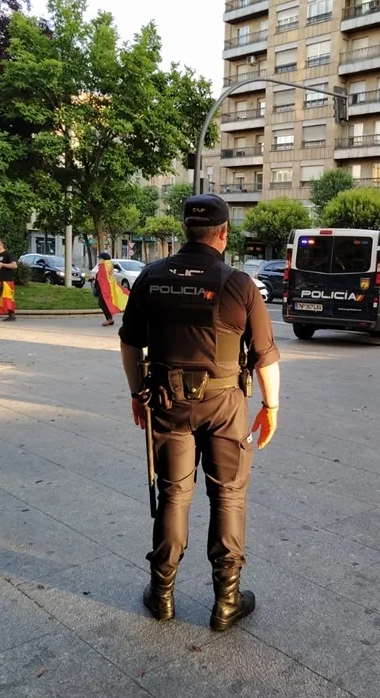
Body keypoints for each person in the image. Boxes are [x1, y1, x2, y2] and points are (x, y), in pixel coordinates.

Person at [119, 194, 281, 632]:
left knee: (174, 495)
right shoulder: (240, 285)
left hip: (168, 405)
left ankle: (163, 594)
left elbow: (130, 342)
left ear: (185, 229)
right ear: (224, 233)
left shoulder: (150, 278)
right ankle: (226, 602)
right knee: (228, 496)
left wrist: (137, 393)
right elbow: (265, 357)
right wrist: (271, 406)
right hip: (226, 406)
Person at [94, 252, 128, 326]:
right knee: (104, 303)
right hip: (108, 288)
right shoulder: (109, 265)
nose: (99, 260)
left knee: (102, 303)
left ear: (103, 259)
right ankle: (109, 318)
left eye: (99, 258)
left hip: (105, 289)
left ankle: (109, 319)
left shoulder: (104, 265)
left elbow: (102, 278)